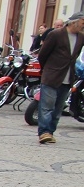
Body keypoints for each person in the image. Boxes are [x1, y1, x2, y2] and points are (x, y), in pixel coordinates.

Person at [35, 12, 84, 143]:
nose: (83, 26)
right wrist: (48, 69)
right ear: (74, 22)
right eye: (83, 23)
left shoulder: (81, 37)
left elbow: (75, 56)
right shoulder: (56, 34)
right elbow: (43, 55)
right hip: (51, 76)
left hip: (68, 78)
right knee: (47, 106)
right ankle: (44, 132)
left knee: (58, 109)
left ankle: (50, 132)